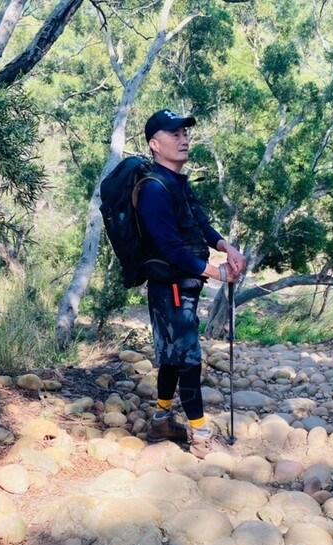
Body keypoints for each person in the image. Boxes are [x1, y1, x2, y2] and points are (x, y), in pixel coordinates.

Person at [136, 109, 246, 458]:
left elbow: (200, 222)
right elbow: (169, 248)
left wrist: (226, 246)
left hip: (182, 284)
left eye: (185, 133)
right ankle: (200, 437)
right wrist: (216, 272)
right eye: (174, 134)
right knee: (188, 359)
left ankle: (161, 420)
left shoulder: (178, 181)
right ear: (155, 144)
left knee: (172, 357)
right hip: (169, 285)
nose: (183, 139)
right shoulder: (154, 189)